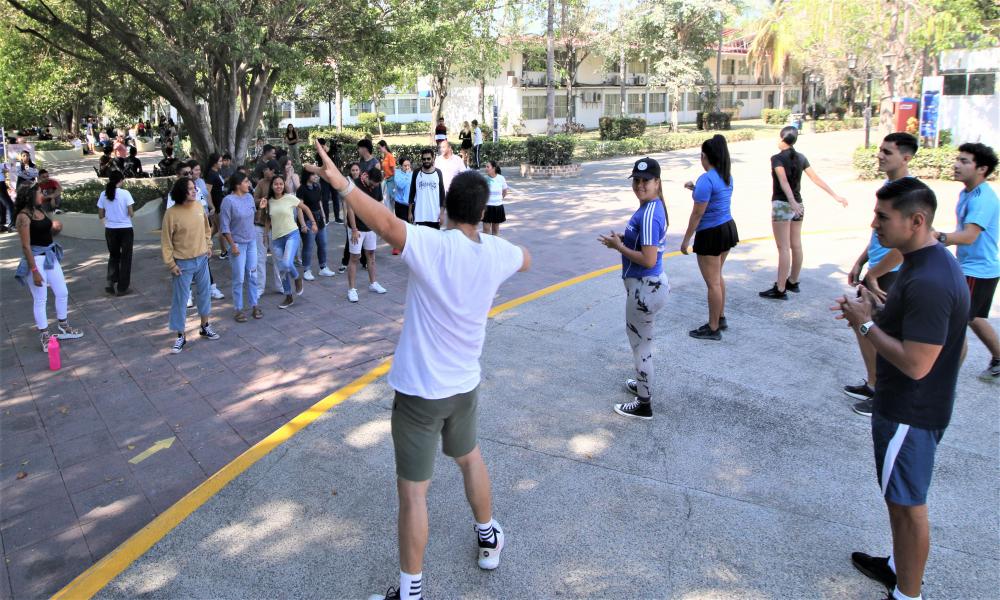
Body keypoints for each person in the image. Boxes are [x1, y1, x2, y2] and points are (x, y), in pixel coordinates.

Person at [306, 140, 531, 600]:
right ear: (484, 208)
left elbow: (387, 223)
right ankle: (489, 537)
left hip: (418, 396)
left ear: (445, 206)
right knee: (470, 458)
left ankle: (410, 593)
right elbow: (527, 258)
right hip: (463, 387)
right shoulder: (495, 253)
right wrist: (498, 248)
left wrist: (342, 183)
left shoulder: (433, 245)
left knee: (413, 494)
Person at [833, 178, 968, 600]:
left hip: (910, 413)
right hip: (918, 408)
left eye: (883, 217)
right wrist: (878, 307)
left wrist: (865, 324)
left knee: (909, 508)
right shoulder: (928, 262)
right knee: (899, 498)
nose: (875, 224)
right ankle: (897, 563)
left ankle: (907, 593)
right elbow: (952, 347)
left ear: (916, 220)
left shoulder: (929, 279)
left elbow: (916, 362)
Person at [843, 133, 915, 413]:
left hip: (889, 274)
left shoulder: (909, 193)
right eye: (880, 150)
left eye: (888, 152)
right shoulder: (889, 186)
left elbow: (906, 243)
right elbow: (878, 232)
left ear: (906, 157)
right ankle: (874, 383)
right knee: (862, 325)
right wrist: (861, 261)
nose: (880, 155)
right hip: (875, 269)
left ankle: (884, 395)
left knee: (883, 334)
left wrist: (874, 274)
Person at [598, 157, 668, 421]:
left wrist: (619, 247)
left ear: (657, 182)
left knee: (641, 347)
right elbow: (646, 246)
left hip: (645, 289)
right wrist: (625, 240)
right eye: (637, 180)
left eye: (646, 180)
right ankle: (642, 384)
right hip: (647, 288)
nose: (640, 185)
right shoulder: (653, 207)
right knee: (642, 344)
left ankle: (643, 403)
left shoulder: (650, 213)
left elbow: (648, 259)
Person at [934, 142, 1000, 382]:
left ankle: (943, 381)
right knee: (972, 318)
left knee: (955, 324)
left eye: (964, 161)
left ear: (982, 169)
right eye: (957, 159)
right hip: (976, 269)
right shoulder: (967, 193)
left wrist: (937, 238)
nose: (956, 165)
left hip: (976, 271)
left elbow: (969, 236)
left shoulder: (982, 198)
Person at [760, 126, 849, 299]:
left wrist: (791, 201)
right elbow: (816, 178)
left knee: (783, 248)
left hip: (783, 204)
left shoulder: (777, 158)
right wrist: (835, 195)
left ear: (782, 139)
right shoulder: (801, 158)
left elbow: (783, 181)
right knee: (796, 245)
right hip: (799, 206)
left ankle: (780, 288)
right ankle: (793, 281)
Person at [13, 184, 84, 352]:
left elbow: (46, 232)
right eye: (39, 192)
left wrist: (55, 228)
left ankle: (63, 326)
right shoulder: (23, 217)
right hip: (36, 260)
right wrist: (34, 271)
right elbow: (26, 246)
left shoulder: (39, 210)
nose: (42, 194)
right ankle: (44, 335)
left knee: (62, 292)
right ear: (30, 195)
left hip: (50, 256)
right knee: (40, 299)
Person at [680, 134, 739, 340]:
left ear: (706, 156)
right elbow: (714, 198)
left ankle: (713, 328)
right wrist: (695, 189)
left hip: (711, 234)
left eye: (701, 155)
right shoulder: (725, 175)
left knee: (713, 282)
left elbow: (697, 214)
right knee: (718, 276)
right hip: (727, 228)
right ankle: (720, 317)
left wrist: (686, 240)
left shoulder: (706, 179)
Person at [162, 177, 220, 353]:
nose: (194, 191)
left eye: (194, 188)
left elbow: (206, 229)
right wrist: (172, 264)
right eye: (190, 189)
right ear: (181, 192)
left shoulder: (198, 207)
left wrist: (209, 246)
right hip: (182, 264)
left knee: (205, 294)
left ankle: (205, 326)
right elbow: (166, 242)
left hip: (202, 259)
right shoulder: (171, 214)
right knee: (180, 300)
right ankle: (181, 336)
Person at [263, 175, 315, 309]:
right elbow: (268, 219)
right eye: (276, 184)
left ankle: (297, 278)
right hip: (276, 239)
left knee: (287, 263)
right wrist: (265, 234)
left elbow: (305, 208)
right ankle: (288, 296)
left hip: (292, 234)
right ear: (272, 186)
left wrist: (313, 222)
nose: (278, 186)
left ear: (283, 185)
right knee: (282, 269)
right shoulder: (269, 201)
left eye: (281, 184)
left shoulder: (290, 198)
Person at [219, 172, 262, 322]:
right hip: (237, 244)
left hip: (251, 242)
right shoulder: (228, 201)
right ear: (238, 185)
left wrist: (261, 208)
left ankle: (254, 304)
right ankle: (238, 308)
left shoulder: (250, 197)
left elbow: (254, 219)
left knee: (253, 275)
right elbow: (225, 227)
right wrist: (232, 246)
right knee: (239, 278)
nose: (249, 184)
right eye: (246, 181)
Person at [346, 167, 388, 302]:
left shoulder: (376, 185)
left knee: (371, 255)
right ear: (367, 177)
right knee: (354, 257)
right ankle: (352, 289)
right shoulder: (355, 185)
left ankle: (373, 283)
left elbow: (380, 205)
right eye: (372, 184)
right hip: (356, 228)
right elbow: (350, 208)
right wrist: (353, 229)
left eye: (376, 185)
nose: (374, 187)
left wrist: (380, 226)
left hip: (370, 227)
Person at [97, 171, 135, 296]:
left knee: (114, 255)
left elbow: (101, 214)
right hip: (125, 229)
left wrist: (107, 222)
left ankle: (110, 282)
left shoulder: (103, 194)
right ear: (121, 180)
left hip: (110, 229)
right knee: (126, 257)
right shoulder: (125, 193)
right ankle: (122, 287)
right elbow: (131, 213)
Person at [297, 168, 335, 279]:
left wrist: (323, 215)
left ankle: (323, 267)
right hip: (307, 220)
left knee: (323, 243)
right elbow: (299, 208)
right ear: (307, 175)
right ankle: (307, 270)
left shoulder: (317, 186)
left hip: (319, 219)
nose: (315, 176)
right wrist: (302, 224)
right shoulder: (301, 189)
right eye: (313, 174)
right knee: (308, 245)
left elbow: (319, 202)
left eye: (316, 175)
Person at [409, 148, 445, 229]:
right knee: (421, 241)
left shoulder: (438, 173)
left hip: (434, 216)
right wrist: (410, 213)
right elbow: (412, 192)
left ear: (433, 159)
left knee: (435, 241)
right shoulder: (416, 172)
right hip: (419, 215)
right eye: (424, 159)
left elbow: (442, 195)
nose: (426, 161)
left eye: (428, 158)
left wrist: (442, 214)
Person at [204, 153, 229, 259]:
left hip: (219, 202)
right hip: (216, 204)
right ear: (214, 163)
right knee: (221, 229)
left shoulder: (216, 172)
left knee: (214, 228)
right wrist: (212, 206)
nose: (221, 163)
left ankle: (203, 244)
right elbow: (207, 192)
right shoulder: (211, 174)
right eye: (219, 161)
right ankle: (224, 252)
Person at [391, 158, 413, 255]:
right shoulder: (397, 173)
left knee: (410, 226)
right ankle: (396, 245)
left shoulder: (413, 173)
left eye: (408, 165)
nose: (407, 167)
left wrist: (408, 175)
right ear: (401, 166)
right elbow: (400, 185)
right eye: (405, 165)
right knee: (399, 225)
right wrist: (408, 175)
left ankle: (408, 245)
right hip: (400, 203)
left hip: (410, 204)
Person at [482, 161, 508, 236]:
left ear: (493, 168)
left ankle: (495, 246)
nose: (486, 168)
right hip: (487, 207)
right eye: (485, 166)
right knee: (486, 230)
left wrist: (498, 199)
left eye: (487, 167)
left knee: (495, 230)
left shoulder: (501, 178)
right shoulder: (484, 179)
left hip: (497, 207)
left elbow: (505, 191)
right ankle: (486, 246)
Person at [379, 141, 397, 208]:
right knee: (386, 200)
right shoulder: (385, 156)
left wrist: (395, 183)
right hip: (386, 180)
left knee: (391, 200)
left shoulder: (390, 156)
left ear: (384, 147)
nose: (379, 150)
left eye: (380, 148)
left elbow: (394, 169)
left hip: (391, 180)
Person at [0, 152, 13, 232]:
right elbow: (10, 166)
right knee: (9, 204)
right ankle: (12, 224)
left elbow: (7, 167)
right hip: (0, 184)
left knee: (2, 205)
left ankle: (2, 224)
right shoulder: (1, 165)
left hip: (2, 184)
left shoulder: (1, 165)